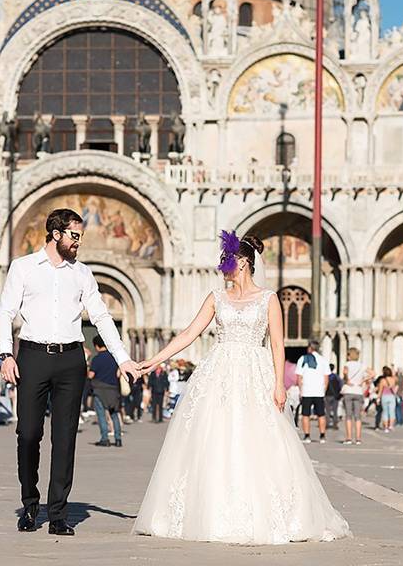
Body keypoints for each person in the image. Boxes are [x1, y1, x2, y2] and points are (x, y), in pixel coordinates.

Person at [133, 232, 349, 544]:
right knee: (216, 438)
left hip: (254, 374)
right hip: (218, 373)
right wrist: (153, 361)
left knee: (258, 440)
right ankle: (210, 511)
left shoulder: (268, 298)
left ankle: (270, 513)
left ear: (244, 262)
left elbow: (277, 343)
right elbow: (189, 333)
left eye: (227, 261)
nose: (223, 267)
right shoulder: (216, 298)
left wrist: (279, 384)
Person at [0, 208, 141, 536]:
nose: (79, 243)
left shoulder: (83, 273)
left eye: (80, 237)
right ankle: (30, 503)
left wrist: (123, 359)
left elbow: (102, 316)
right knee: (28, 434)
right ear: (56, 234)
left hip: (72, 359)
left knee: (64, 438)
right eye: (74, 236)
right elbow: (5, 313)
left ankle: (58, 512)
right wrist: (6, 354)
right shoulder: (23, 268)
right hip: (32, 355)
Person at [88, 336, 123, 448]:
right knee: (114, 414)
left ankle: (105, 438)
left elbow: (91, 375)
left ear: (97, 346)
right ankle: (118, 439)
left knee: (102, 415)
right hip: (113, 389)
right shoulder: (114, 357)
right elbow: (118, 373)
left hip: (99, 390)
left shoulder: (96, 359)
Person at [296, 341, 330, 444]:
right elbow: (326, 378)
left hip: (307, 391)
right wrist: (323, 390)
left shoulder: (303, 359)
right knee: (321, 414)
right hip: (319, 391)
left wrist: (300, 390)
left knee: (306, 414)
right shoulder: (323, 360)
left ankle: (307, 436)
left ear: (310, 348)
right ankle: (322, 435)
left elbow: (299, 377)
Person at [340, 347, 367, 445]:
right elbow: (373, 373)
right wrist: (362, 381)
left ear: (349, 355)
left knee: (348, 416)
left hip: (349, 390)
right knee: (358, 416)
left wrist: (347, 380)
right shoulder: (362, 365)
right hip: (358, 391)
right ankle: (358, 439)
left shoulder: (347, 364)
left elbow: (345, 373)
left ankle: (348, 438)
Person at [378, 366, 398, 432]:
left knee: (385, 412)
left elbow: (380, 390)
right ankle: (391, 426)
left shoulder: (382, 380)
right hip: (392, 396)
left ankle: (386, 427)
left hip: (384, 396)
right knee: (392, 411)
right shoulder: (393, 379)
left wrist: (378, 398)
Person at [325, 363, 342, 431]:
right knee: (335, 411)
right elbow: (341, 385)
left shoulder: (326, 376)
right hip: (335, 396)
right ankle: (335, 424)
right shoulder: (336, 377)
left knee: (327, 410)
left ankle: (327, 423)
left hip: (327, 395)